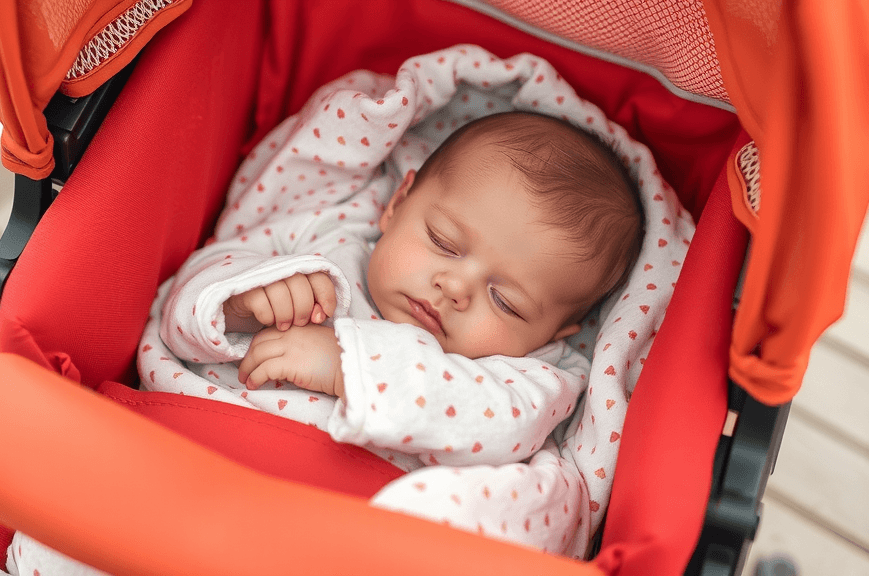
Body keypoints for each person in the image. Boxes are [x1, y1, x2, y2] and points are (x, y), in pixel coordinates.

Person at [149, 110, 643, 548]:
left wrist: (349, 366)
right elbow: (187, 294)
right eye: (444, 243)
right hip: (178, 457)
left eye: (505, 302)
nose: (455, 288)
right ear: (397, 203)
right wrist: (240, 300)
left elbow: (499, 424)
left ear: (557, 332)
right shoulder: (324, 241)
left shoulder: (532, 379)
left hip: (341, 528)